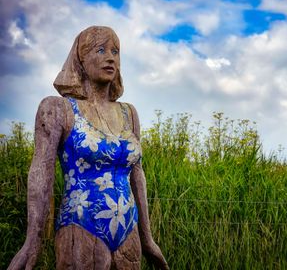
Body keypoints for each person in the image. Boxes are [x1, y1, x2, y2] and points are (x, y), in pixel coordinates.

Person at [8, 26, 169, 270]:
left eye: (115, 51)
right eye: (100, 50)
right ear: (81, 59)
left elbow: (137, 174)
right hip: (81, 227)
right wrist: (32, 242)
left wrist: (148, 238)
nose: (111, 57)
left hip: (129, 231)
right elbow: (41, 174)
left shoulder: (129, 114)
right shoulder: (58, 109)